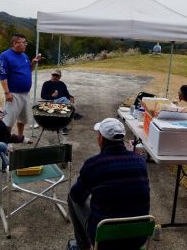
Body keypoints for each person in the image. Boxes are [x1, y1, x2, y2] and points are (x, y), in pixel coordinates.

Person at [68, 118, 150, 250]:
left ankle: (82, 246)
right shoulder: (140, 161)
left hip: (105, 240)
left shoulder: (94, 164)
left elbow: (76, 196)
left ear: (101, 139)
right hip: (138, 237)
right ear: (122, 138)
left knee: (72, 198)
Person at [0, 34, 41, 144]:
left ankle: (20, 137)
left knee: (23, 118)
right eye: (23, 42)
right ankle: (5, 141)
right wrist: (7, 92)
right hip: (13, 94)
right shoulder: (5, 56)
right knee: (8, 120)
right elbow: (3, 75)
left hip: (25, 94)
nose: (25, 45)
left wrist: (33, 63)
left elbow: (28, 70)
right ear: (15, 43)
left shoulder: (24, 56)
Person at [41, 69, 83, 135]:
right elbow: (43, 96)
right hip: (51, 102)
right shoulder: (46, 84)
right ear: (51, 75)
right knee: (64, 100)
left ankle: (63, 127)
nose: (54, 77)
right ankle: (73, 115)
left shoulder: (62, 84)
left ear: (60, 76)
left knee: (65, 102)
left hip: (62, 102)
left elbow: (67, 94)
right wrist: (51, 96)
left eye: (56, 75)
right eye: (53, 75)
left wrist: (71, 97)